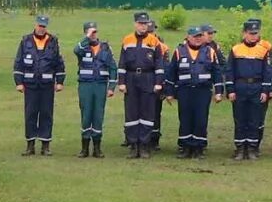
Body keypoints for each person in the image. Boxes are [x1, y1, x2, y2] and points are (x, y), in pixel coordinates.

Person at [118, 13, 169, 157]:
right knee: (131, 112)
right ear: (135, 24)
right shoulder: (127, 40)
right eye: (140, 23)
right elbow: (122, 63)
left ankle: (145, 145)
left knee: (147, 112)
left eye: (145, 23)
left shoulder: (154, 41)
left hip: (148, 77)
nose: (143, 26)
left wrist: (159, 82)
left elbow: (159, 63)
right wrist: (121, 82)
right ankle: (133, 145)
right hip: (131, 77)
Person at [169, 24, 222, 159]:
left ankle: (199, 147)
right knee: (185, 118)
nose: (198, 39)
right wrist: (169, 92)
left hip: (203, 91)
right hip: (184, 91)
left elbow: (217, 72)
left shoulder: (210, 51)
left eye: (199, 36)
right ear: (188, 37)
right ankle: (186, 147)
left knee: (201, 119)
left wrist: (219, 91)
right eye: (195, 37)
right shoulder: (179, 51)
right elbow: (171, 73)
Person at [14, 14, 65, 155]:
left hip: (47, 85)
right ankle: (30, 145)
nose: (41, 29)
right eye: (39, 26)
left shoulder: (53, 41)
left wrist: (60, 81)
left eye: (44, 26)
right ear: (35, 25)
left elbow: (58, 62)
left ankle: (45, 145)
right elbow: (19, 62)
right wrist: (19, 82)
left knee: (46, 114)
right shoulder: (26, 41)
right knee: (30, 113)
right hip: (30, 84)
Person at [226, 17, 272, 160]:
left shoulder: (263, 50)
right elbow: (229, 71)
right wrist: (230, 90)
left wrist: (266, 91)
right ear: (244, 33)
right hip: (240, 86)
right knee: (240, 118)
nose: (254, 36)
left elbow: (268, 71)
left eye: (256, 33)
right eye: (251, 33)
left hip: (256, 87)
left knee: (255, 119)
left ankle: (253, 148)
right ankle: (240, 148)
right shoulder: (236, 49)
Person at [73, 20, 115, 157]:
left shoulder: (106, 48)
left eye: (94, 31)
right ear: (85, 32)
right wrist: (86, 38)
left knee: (98, 115)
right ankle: (84, 147)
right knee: (86, 115)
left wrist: (112, 87)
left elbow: (113, 68)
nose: (93, 34)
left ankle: (97, 147)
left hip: (100, 86)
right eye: (90, 32)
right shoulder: (83, 47)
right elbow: (76, 50)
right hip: (85, 85)